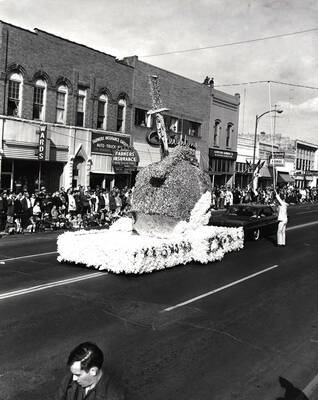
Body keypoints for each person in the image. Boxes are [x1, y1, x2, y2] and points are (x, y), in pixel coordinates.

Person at [56, 342, 125, 400]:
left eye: (78, 375)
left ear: (93, 371)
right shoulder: (68, 380)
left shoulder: (113, 396)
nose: (73, 378)